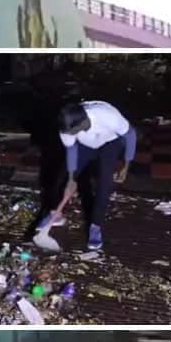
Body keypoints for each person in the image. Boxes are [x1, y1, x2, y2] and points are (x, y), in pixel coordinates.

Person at [52, 101, 137, 251]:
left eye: (72, 132)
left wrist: (126, 165)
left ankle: (95, 226)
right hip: (85, 144)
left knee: (105, 183)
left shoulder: (107, 116)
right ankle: (56, 213)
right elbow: (71, 151)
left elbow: (131, 135)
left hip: (110, 142)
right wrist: (71, 179)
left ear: (83, 123)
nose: (68, 135)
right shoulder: (67, 128)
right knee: (63, 176)